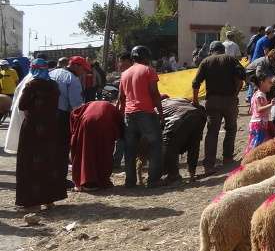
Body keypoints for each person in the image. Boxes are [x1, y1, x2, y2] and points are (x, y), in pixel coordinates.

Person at [15, 59, 67, 209]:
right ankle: (49, 199)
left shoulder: (32, 85)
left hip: (32, 130)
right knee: (49, 162)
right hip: (51, 129)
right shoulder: (54, 85)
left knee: (29, 163)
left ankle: (31, 200)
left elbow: (22, 105)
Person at [192, 40, 245, 173]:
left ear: (211, 50)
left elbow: (195, 83)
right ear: (223, 50)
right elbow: (241, 77)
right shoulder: (231, 59)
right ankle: (227, 158)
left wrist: (195, 100)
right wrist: (236, 93)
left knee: (212, 132)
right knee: (231, 129)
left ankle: (209, 165)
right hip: (230, 100)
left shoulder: (206, 62)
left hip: (212, 101)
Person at [118, 45, 164, 188]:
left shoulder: (124, 74)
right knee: (155, 146)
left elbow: (121, 98)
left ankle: (130, 181)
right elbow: (154, 94)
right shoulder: (149, 71)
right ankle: (153, 180)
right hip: (146, 114)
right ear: (145, 57)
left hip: (129, 115)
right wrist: (161, 112)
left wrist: (122, 115)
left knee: (130, 149)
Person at [50, 56, 88, 187]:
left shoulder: (52, 73)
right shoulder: (73, 79)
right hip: (62, 116)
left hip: (45, 115)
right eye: (83, 69)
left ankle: (48, 177)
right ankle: (60, 179)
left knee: (49, 147)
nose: (84, 73)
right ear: (76, 66)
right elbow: (76, 105)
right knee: (62, 148)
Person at [69, 101, 123, 191]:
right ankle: (100, 180)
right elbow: (120, 126)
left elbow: (74, 113)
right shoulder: (112, 108)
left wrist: (74, 131)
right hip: (105, 124)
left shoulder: (89, 104)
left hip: (86, 122)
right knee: (103, 151)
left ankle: (85, 181)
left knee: (85, 151)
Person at [162, 96, 207, 183]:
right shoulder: (178, 99)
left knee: (170, 146)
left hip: (180, 119)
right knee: (194, 145)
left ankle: (173, 175)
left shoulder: (159, 106)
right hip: (199, 115)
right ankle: (192, 173)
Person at [246, 72, 275, 154]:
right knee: (257, 147)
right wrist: (271, 104)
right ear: (262, 82)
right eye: (269, 82)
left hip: (257, 123)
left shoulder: (256, 94)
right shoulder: (260, 95)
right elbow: (259, 109)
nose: (271, 85)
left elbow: (251, 111)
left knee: (256, 144)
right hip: (259, 124)